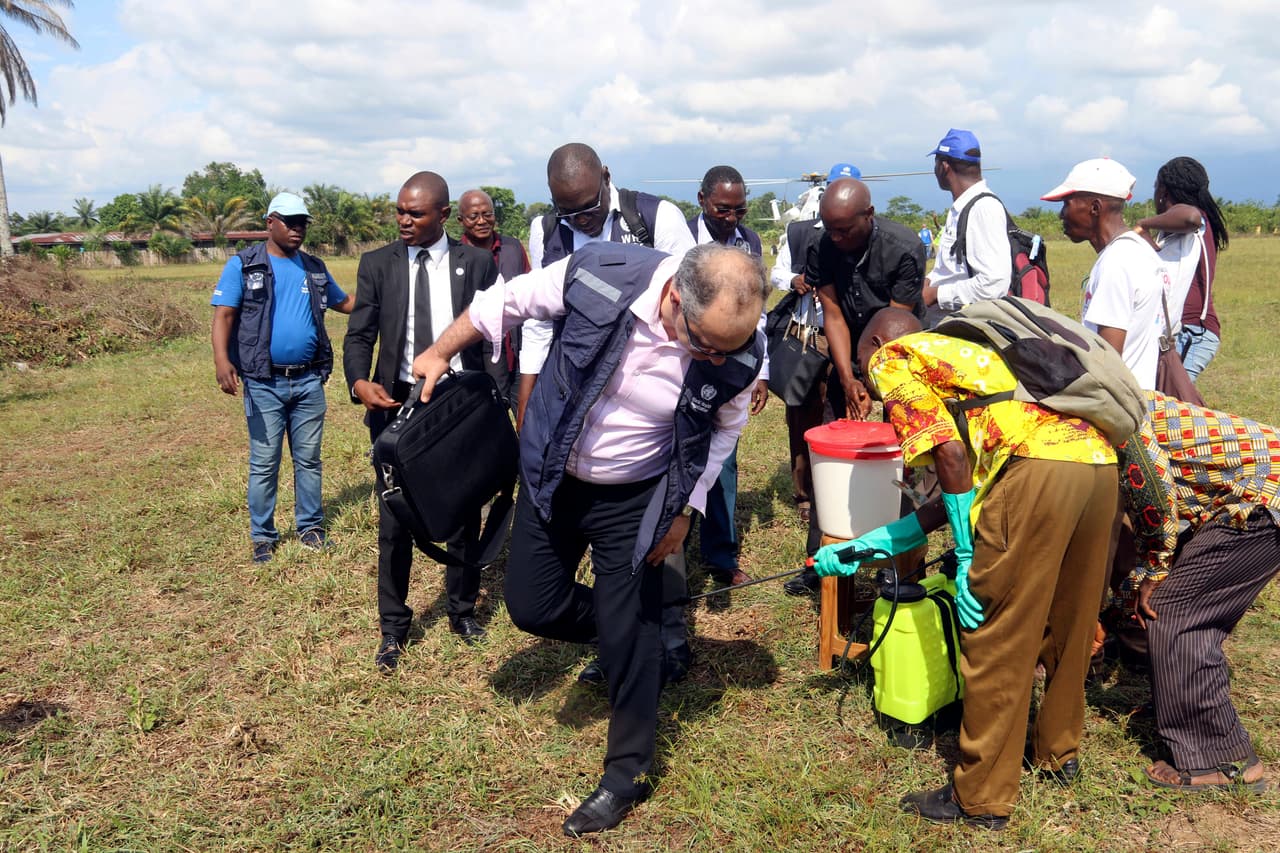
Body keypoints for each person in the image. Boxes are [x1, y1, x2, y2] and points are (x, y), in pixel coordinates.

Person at [411, 241, 768, 836]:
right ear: (675, 297)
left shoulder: (738, 351)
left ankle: (624, 774)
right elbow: (507, 301)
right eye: (702, 342)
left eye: (725, 349)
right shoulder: (600, 273)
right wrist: (438, 351)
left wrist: (685, 508)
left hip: (636, 495)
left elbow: (725, 431)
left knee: (633, 632)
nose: (711, 357)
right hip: (554, 473)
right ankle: (628, 628)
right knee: (532, 605)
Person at [812, 307, 1119, 830]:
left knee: (997, 633)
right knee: (1068, 616)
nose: (872, 384)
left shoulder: (894, 358)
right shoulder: (974, 367)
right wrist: (864, 547)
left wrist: (966, 556)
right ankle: (1056, 751)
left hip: (1037, 472)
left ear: (878, 341)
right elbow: (953, 492)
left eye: (863, 368)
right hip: (1096, 465)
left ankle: (980, 797)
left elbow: (952, 458)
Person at [342, 172, 501, 671]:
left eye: (415, 214)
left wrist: (494, 397)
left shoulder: (475, 263)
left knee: (463, 510)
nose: (403, 221)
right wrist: (358, 382)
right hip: (397, 405)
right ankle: (393, 628)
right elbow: (359, 334)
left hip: (458, 403)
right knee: (395, 519)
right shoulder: (377, 265)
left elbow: (494, 334)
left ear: (444, 215)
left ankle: (461, 610)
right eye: (400, 212)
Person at [1123, 392, 1278, 792]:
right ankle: (1195, 719)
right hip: (1263, 493)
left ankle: (1221, 759)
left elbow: (1155, 495)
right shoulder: (1129, 399)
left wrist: (1154, 570)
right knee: (1191, 610)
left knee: (1174, 612)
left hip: (1262, 500)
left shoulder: (1121, 420)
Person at [784, 179, 926, 593]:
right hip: (846, 350)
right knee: (831, 452)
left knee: (904, 459)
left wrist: (869, 380)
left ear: (869, 215)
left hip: (896, 352)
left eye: (845, 229)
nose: (837, 237)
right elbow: (832, 312)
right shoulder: (822, 244)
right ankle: (818, 561)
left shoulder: (904, 248)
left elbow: (893, 328)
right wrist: (847, 379)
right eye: (830, 228)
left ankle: (895, 563)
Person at [210, 192, 354, 563]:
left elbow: (344, 303)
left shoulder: (314, 267)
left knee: (308, 460)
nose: (297, 229)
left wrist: (388, 296)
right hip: (262, 382)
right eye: (290, 221)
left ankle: (310, 528)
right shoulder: (243, 265)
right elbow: (224, 316)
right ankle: (263, 536)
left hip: (308, 382)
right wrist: (221, 360)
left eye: (302, 222)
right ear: (269, 222)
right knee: (265, 461)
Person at [517, 142, 696, 427]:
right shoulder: (546, 230)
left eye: (590, 207)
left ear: (606, 177)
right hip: (570, 383)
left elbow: (690, 309)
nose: (582, 220)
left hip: (645, 389)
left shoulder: (656, 218)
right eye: (568, 213)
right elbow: (539, 320)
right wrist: (526, 396)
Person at [686, 164, 769, 588]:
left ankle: (720, 555)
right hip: (685, 363)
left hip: (731, 366)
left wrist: (762, 373)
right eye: (722, 209)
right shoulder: (681, 240)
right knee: (676, 455)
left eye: (739, 210)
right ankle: (671, 555)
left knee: (723, 458)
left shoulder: (749, 243)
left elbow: (759, 313)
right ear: (702, 201)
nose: (731, 219)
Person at [1042, 158, 1170, 389]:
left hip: (1117, 405)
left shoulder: (1116, 262)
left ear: (1095, 208)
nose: (1062, 214)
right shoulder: (1139, 250)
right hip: (1137, 396)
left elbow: (1108, 361)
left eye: (1066, 203)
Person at [1134, 157, 1228, 382]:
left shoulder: (1197, 219)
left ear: (1164, 191)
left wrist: (1144, 223)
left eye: (1156, 187)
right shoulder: (1174, 232)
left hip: (1192, 330)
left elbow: (1189, 216)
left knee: (1175, 401)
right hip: (1179, 329)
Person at [920, 129, 1011, 322]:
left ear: (944, 167)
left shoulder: (983, 208)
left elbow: (994, 284)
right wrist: (927, 282)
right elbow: (952, 270)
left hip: (968, 329)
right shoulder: (961, 208)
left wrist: (936, 294)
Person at [457, 188, 530, 409]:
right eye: (473, 216)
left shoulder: (513, 248)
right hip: (476, 358)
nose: (482, 221)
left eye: (487, 214)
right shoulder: (455, 256)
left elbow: (529, 292)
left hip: (517, 353)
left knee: (526, 421)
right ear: (461, 220)